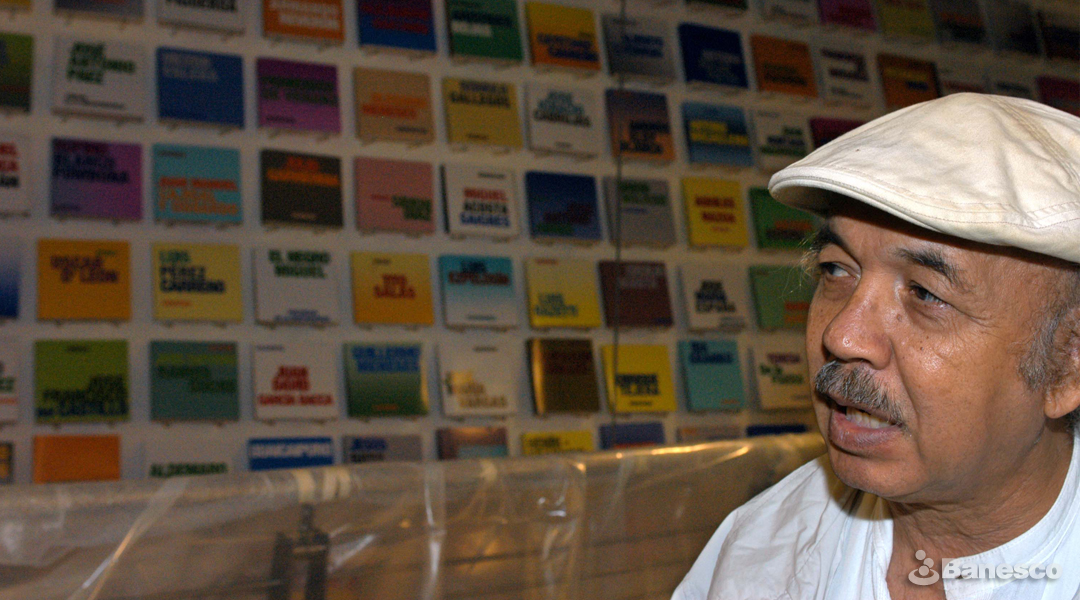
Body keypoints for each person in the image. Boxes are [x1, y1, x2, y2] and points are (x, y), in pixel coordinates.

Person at [672, 93, 1080, 600]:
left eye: (926, 294)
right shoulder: (760, 551)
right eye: (835, 270)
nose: (841, 336)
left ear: (1068, 365)